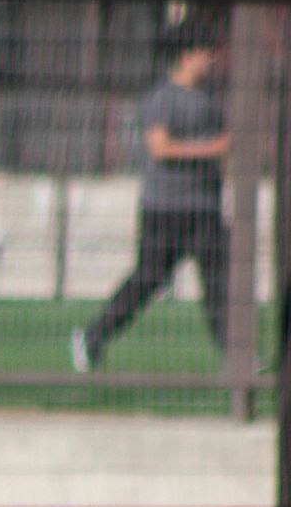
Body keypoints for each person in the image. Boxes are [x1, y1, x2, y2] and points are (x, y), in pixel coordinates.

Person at [71, 21, 230, 373]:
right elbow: (160, 147)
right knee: (148, 280)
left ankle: (235, 357)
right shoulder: (162, 98)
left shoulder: (209, 99)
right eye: (205, 52)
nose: (211, 60)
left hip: (204, 208)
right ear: (187, 56)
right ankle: (92, 336)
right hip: (165, 208)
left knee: (219, 283)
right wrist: (211, 149)